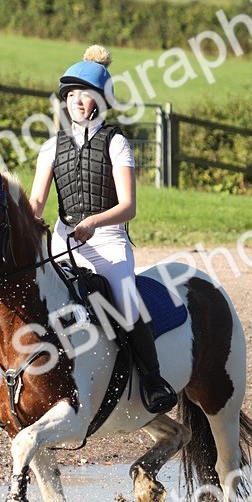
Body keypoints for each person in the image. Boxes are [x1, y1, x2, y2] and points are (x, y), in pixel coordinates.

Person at [29, 44, 178, 414]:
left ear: (101, 100)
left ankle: (153, 379)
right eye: (74, 96)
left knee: (126, 301)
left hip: (108, 242)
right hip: (66, 242)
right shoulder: (49, 148)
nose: (81, 103)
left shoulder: (117, 143)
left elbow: (129, 206)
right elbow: (36, 204)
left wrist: (94, 222)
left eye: (89, 96)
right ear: (67, 99)